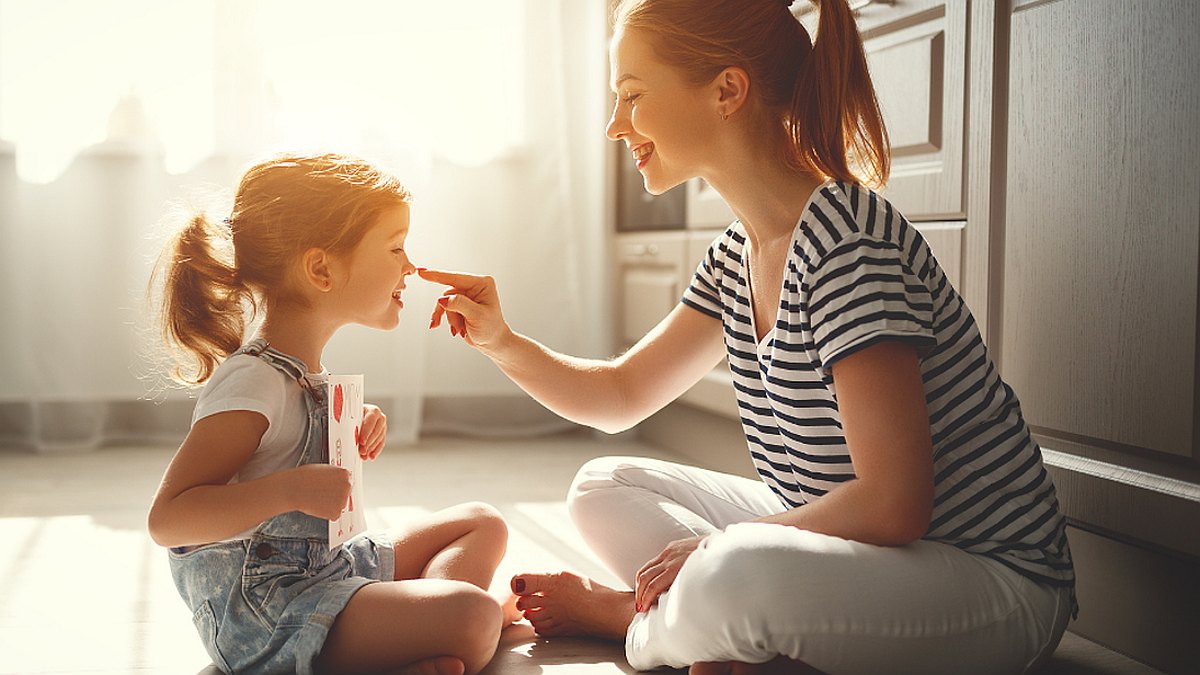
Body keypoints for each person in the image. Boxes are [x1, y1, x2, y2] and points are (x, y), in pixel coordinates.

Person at [418, 0, 1076, 673]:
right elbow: (620, 395)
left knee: (736, 572)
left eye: (633, 96)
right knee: (601, 485)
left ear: (726, 90)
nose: (616, 125)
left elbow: (894, 502)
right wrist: (503, 340)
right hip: (858, 541)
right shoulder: (736, 254)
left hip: (993, 578)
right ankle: (731, 628)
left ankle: (634, 618)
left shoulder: (846, 243)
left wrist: (719, 547)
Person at [146, 153, 516, 675]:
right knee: (476, 617)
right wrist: (288, 490)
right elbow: (169, 519)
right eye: (394, 248)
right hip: (268, 611)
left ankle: (416, 634)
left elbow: (291, 438)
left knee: (483, 523)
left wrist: (360, 420)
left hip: (329, 568)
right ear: (321, 268)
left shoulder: (305, 373)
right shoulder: (252, 380)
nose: (409, 266)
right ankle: (433, 631)